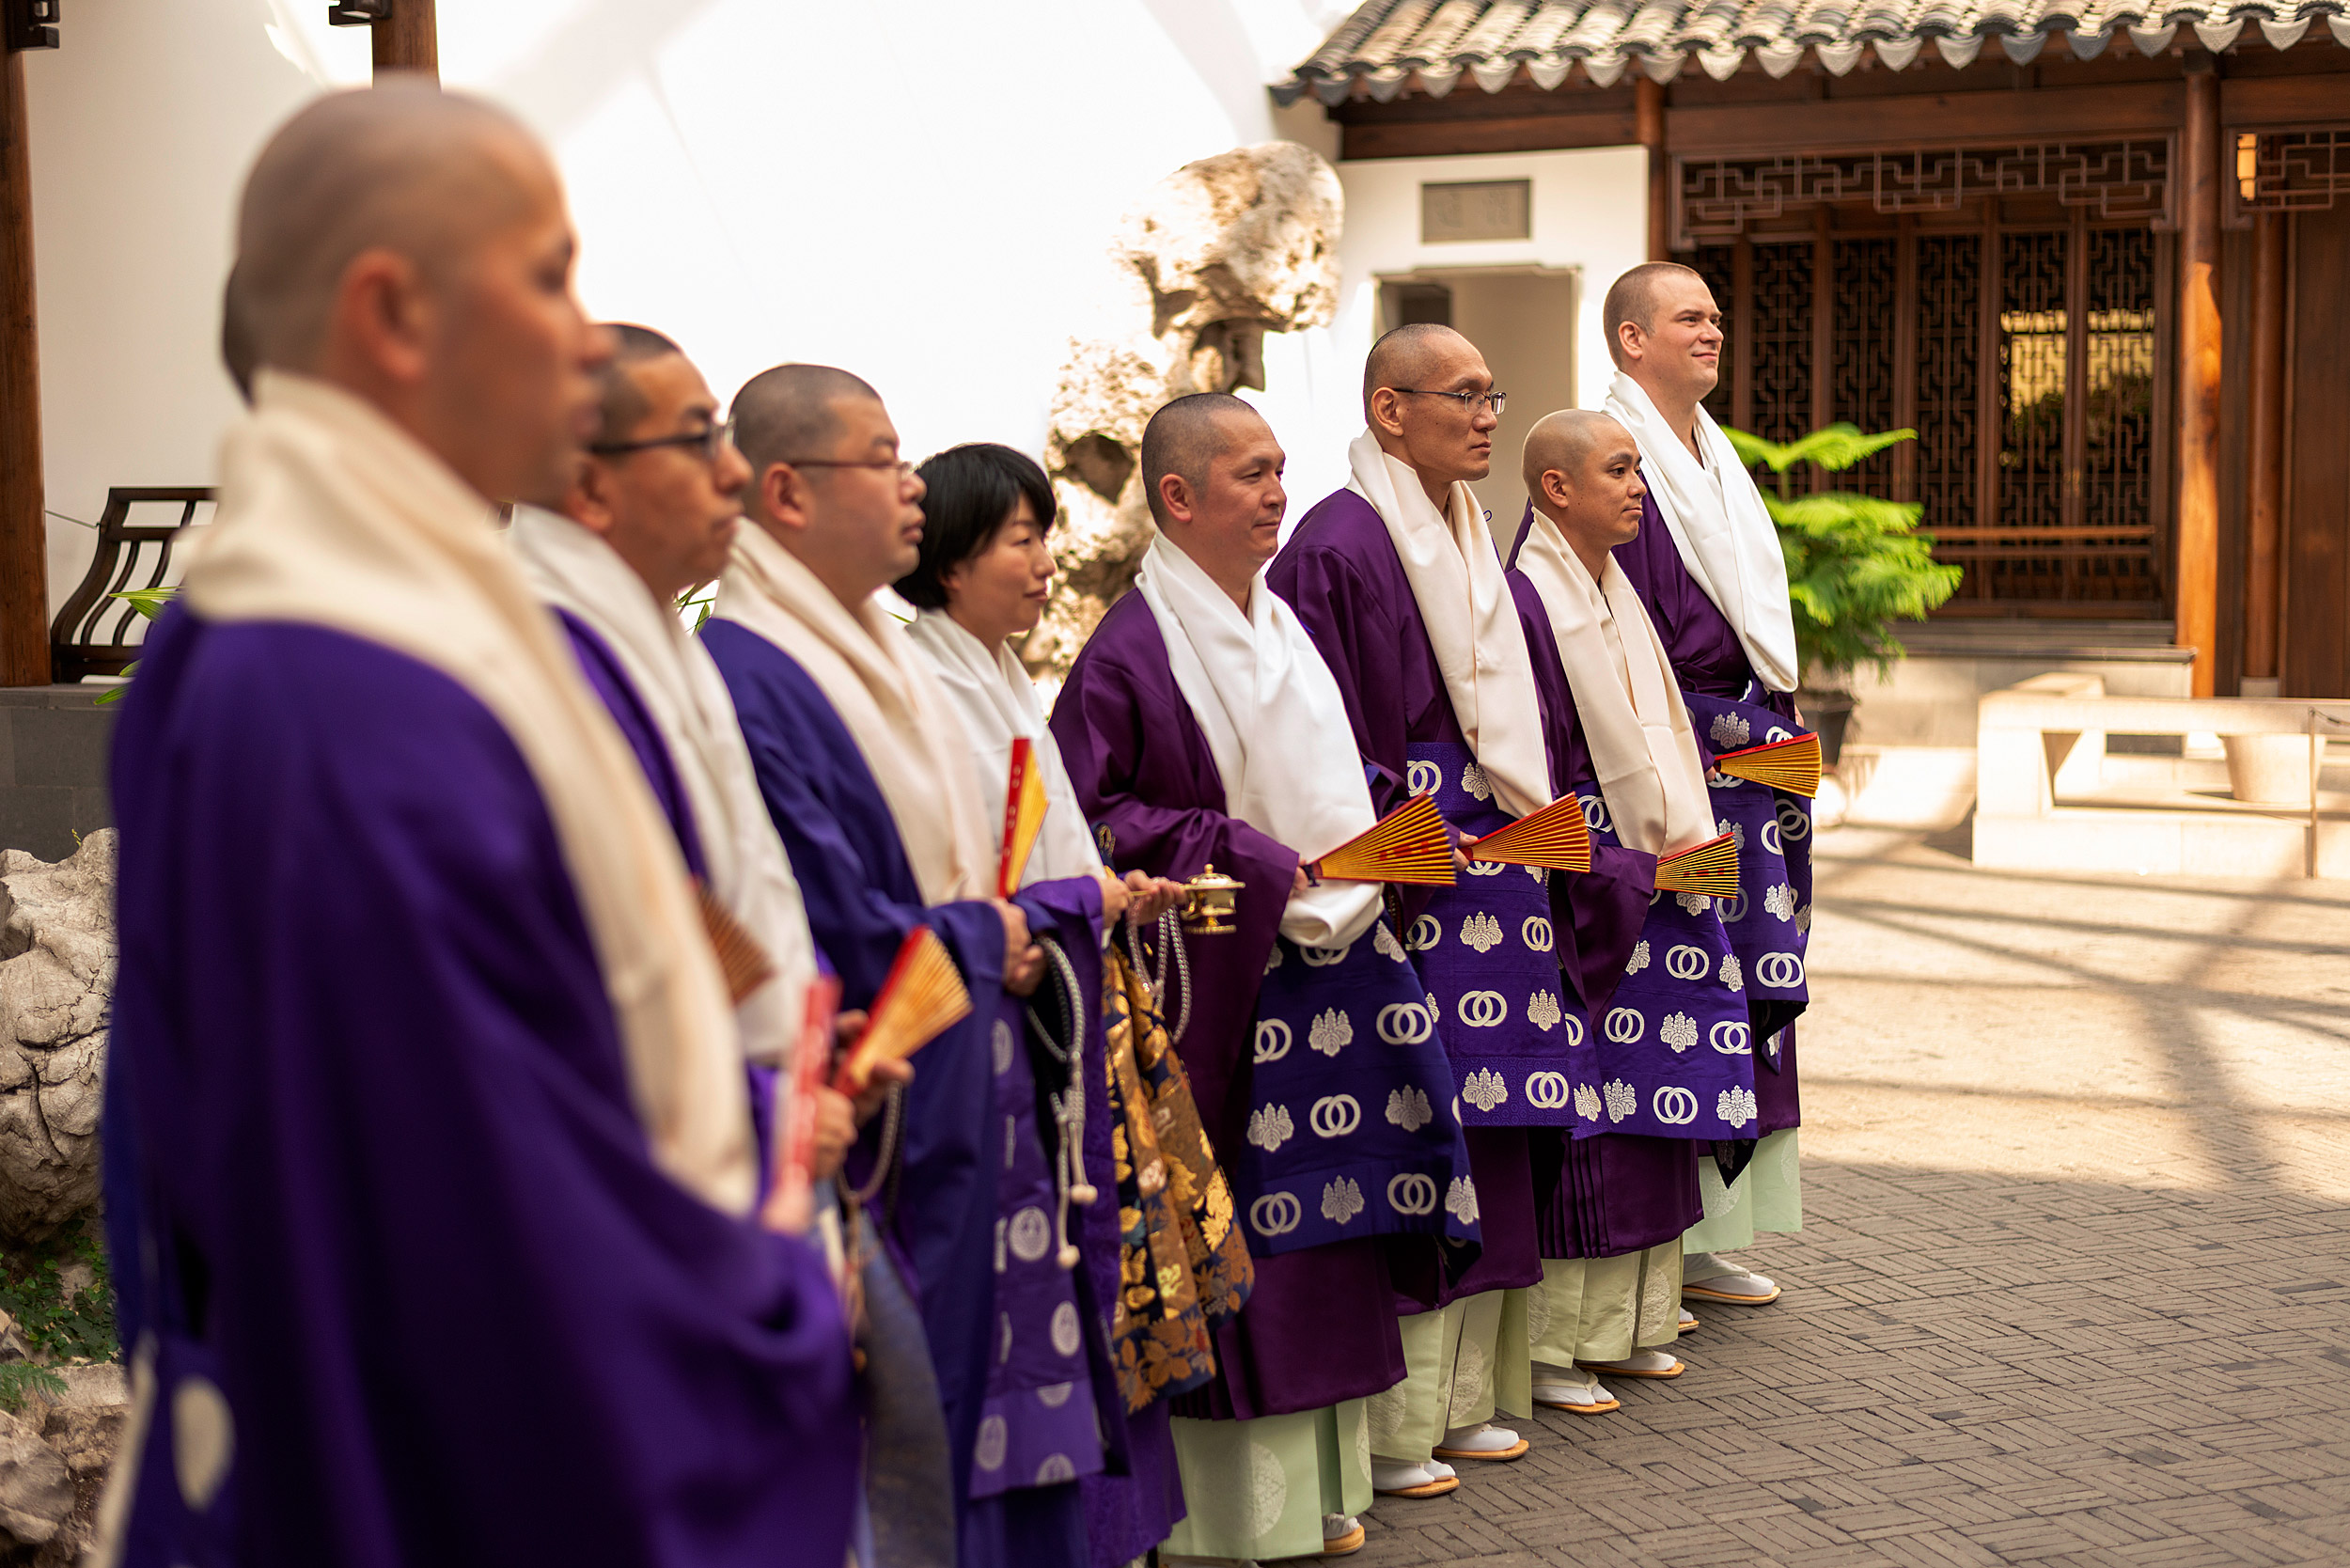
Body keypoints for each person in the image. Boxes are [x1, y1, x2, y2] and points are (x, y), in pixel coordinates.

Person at [100, 87, 856, 1567]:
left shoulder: (378, 619)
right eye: (550, 275)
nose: (588, 338)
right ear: (393, 314)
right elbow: (483, 1238)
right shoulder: (338, 691)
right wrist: (771, 1297)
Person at [509, 327, 943, 1567]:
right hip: (680, 1153)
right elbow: (622, 921)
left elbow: (705, 895)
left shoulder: (642, 629)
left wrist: (801, 1031)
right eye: (698, 442)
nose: (730, 475)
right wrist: (762, 1085)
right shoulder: (555, 648)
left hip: (771, 1110)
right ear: (590, 484)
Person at [704, 365, 1124, 1568]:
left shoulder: (859, 649)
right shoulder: (751, 671)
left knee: (994, 1399)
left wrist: (1012, 934)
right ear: (786, 493)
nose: (910, 486)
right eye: (883, 460)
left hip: (968, 1072)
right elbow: (833, 912)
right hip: (889, 1099)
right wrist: (990, 935)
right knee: (917, 1424)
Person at [1054, 393, 1483, 1560]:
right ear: (1178, 497)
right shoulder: (1129, 649)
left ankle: (1329, 1486)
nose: (1276, 494)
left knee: (1336, 1233)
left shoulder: (1276, 620)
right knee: (1249, 1247)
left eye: (1281, 469)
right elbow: (1095, 819)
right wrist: (1251, 858)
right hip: (1228, 985)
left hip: (1336, 958)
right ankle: (1233, 1524)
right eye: (1250, 474)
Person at [1265, 325, 1572, 1492]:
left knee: (1496, 1119)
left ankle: (1467, 1397)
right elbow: (1328, 728)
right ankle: (1397, 1429)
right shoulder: (1342, 541)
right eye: (1463, 395)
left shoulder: (1468, 527)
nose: (1489, 413)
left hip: (1500, 850)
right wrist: (1408, 834)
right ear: (1389, 411)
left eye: (1496, 393)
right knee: (1419, 1117)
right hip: (1415, 860)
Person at [893, 440, 1198, 1568]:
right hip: (1013, 1011)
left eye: (1042, 538)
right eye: (1020, 539)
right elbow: (964, 865)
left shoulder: (1003, 669)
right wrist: (1080, 898)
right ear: (952, 556)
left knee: (1107, 1285)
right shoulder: (924, 679)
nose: (1041, 565)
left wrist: (1107, 893)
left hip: (1075, 992)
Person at [1509, 410, 1762, 1410]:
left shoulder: (1613, 586)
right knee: (1599, 1117)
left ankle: (1635, 1322)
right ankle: (1557, 1346)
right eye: (1618, 470)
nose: (1637, 488)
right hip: (1599, 881)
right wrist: (1616, 865)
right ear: (1557, 487)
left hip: (1658, 870)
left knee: (1661, 1100)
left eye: (1639, 471)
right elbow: (1538, 762)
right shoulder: (1530, 597)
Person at [1602, 263, 1811, 1309]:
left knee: (1747, 987)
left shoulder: (1711, 454)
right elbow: (1613, 646)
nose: (1711, 332)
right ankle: (1666, 1240)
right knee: (1686, 992)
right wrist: (1726, 731)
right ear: (1631, 341)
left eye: (1717, 318)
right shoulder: (1610, 457)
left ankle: (1716, 1229)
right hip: (1678, 763)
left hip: (1744, 756)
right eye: (1689, 318)